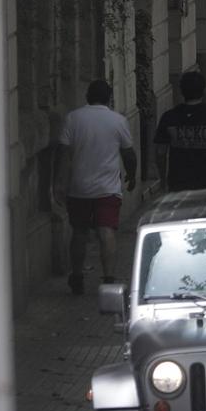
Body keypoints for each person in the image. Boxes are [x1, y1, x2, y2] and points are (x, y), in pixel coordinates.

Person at [55, 79, 138, 295]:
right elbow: (128, 153)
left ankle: (77, 275)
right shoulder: (118, 121)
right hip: (108, 188)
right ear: (110, 98)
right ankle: (109, 278)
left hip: (79, 187)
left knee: (79, 232)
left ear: (87, 97)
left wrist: (59, 183)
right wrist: (132, 175)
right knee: (106, 231)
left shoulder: (73, 118)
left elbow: (63, 153)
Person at [152, 70, 206, 192]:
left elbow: (160, 153)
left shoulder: (169, 118)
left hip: (178, 185)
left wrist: (163, 181)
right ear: (203, 91)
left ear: (181, 92)